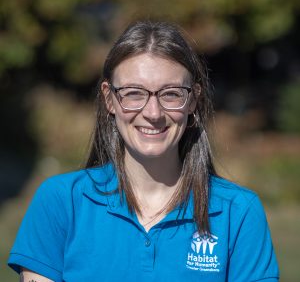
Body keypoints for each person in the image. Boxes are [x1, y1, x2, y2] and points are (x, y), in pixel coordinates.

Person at [8, 21, 279, 281]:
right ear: (109, 99)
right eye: (134, 93)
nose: (153, 113)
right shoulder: (61, 201)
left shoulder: (238, 212)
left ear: (193, 100)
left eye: (171, 94)